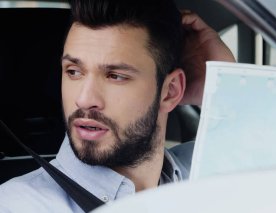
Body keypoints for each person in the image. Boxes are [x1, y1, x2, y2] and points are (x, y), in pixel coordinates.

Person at [0, 0, 235, 212]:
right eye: (73, 72)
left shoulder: (209, 174)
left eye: (115, 76)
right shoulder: (17, 205)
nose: (84, 99)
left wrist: (226, 87)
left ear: (170, 91)